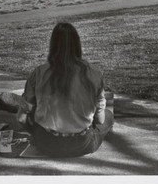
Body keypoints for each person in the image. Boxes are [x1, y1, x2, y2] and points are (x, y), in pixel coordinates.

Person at [16, 22, 113, 157]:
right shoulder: (94, 73)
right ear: (77, 45)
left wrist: (36, 132)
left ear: (53, 46)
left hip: (47, 144)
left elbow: (21, 119)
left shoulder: (38, 73)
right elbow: (100, 120)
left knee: (35, 114)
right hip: (81, 144)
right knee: (108, 115)